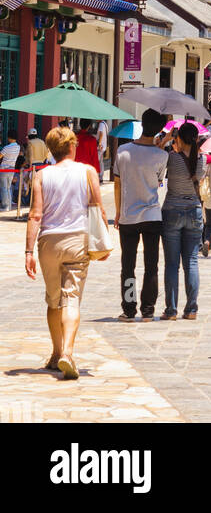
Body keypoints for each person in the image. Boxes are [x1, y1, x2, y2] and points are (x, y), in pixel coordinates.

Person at [25, 125, 107, 379]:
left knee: (53, 300)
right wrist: (103, 240)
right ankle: (67, 353)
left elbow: (36, 214)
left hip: (48, 243)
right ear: (73, 146)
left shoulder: (41, 175)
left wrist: (29, 251)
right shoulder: (88, 171)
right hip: (78, 241)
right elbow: (98, 208)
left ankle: (55, 351)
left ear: (51, 149)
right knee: (71, 298)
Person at [113, 108, 168, 322]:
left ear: (142, 124)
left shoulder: (123, 151)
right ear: (159, 130)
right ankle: (148, 309)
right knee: (151, 265)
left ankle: (129, 309)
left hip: (128, 215)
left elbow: (117, 184)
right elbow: (159, 181)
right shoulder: (162, 156)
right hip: (152, 215)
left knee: (128, 265)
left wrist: (117, 212)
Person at [161, 121, 205, 319]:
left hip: (172, 209)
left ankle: (171, 310)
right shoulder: (201, 160)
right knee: (191, 262)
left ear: (179, 138)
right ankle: (192, 309)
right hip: (194, 210)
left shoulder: (172, 158)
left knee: (172, 264)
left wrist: (167, 139)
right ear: (196, 139)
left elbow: (155, 154)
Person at [23, 127, 51, 203]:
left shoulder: (30, 143)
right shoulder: (42, 142)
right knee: (40, 185)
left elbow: (30, 156)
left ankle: (30, 202)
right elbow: (47, 154)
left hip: (33, 166)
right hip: (42, 166)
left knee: (30, 184)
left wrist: (30, 166)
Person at [0, 130, 20, 211]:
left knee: (4, 188)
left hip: (4, 169)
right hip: (12, 169)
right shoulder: (18, 147)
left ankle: (5, 206)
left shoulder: (7, 148)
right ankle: (9, 205)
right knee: (8, 188)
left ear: (9, 137)